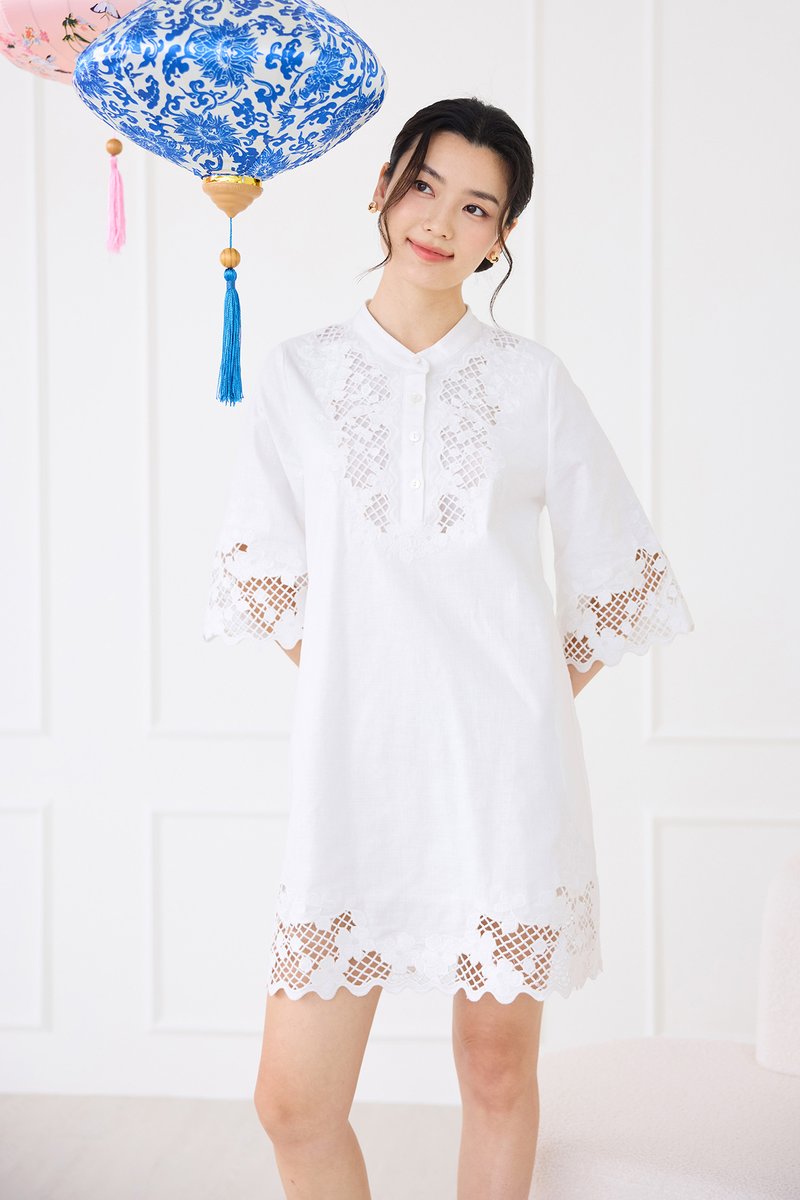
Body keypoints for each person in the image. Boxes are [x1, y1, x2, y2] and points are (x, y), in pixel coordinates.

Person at [203, 96, 695, 1200]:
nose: (439, 220)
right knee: (292, 1103)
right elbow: (264, 572)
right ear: (383, 187)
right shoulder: (297, 374)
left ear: (500, 236)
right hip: (354, 773)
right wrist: (373, 687)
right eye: (424, 186)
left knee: (495, 1074)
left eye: (476, 206)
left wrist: (519, 699)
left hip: (503, 778)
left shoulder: (530, 383)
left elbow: (619, 573)